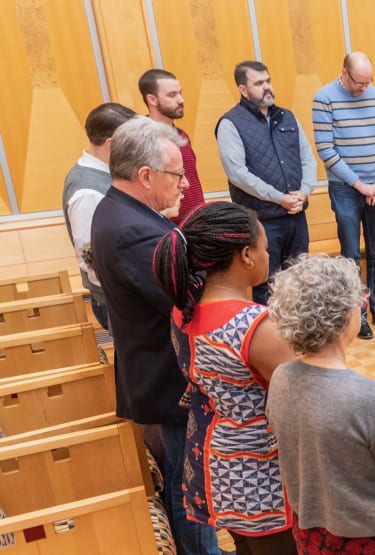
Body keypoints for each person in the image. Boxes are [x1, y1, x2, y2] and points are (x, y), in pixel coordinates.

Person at [90, 117, 221, 554]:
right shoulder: (136, 231)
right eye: (177, 174)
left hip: (158, 370)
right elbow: (186, 301)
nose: (185, 185)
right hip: (167, 378)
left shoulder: (123, 212)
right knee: (192, 488)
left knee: (189, 478)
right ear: (145, 176)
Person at [151, 202, 299, 553]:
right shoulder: (256, 326)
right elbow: (304, 402)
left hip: (218, 469)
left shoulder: (183, 308)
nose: (267, 255)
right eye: (264, 248)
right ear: (246, 255)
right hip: (264, 478)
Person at [266, 254, 375, 553]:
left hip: (311, 536)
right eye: (357, 300)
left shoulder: (280, 378)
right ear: (341, 315)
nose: (363, 305)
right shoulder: (374, 400)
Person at [313, 51, 375, 339]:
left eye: (368, 82)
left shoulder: (374, 95)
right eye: (358, 83)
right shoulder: (324, 98)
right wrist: (360, 185)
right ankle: (358, 314)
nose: (363, 88)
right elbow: (326, 150)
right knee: (351, 255)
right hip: (346, 190)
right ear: (344, 73)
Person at [217, 60, 319, 304]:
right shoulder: (230, 123)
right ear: (243, 90)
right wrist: (279, 198)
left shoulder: (287, 117)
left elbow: (308, 159)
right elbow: (238, 174)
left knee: (300, 282)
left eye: (269, 81)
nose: (267, 87)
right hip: (262, 222)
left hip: (296, 216)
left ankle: (298, 340)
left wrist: (304, 193)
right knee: (267, 286)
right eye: (259, 83)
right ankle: (269, 340)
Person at [62, 102, 136, 329]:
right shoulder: (87, 191)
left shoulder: (108, 171)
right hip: (116, 301)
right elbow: (90, 258)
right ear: (111, 145)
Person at [139, 68, 206, 223]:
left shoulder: (182, 135)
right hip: (169, 228)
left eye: (180, 93)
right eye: (172, 95)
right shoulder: (142, 141)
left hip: (197, 224)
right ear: (152, 100)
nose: (181, 100)